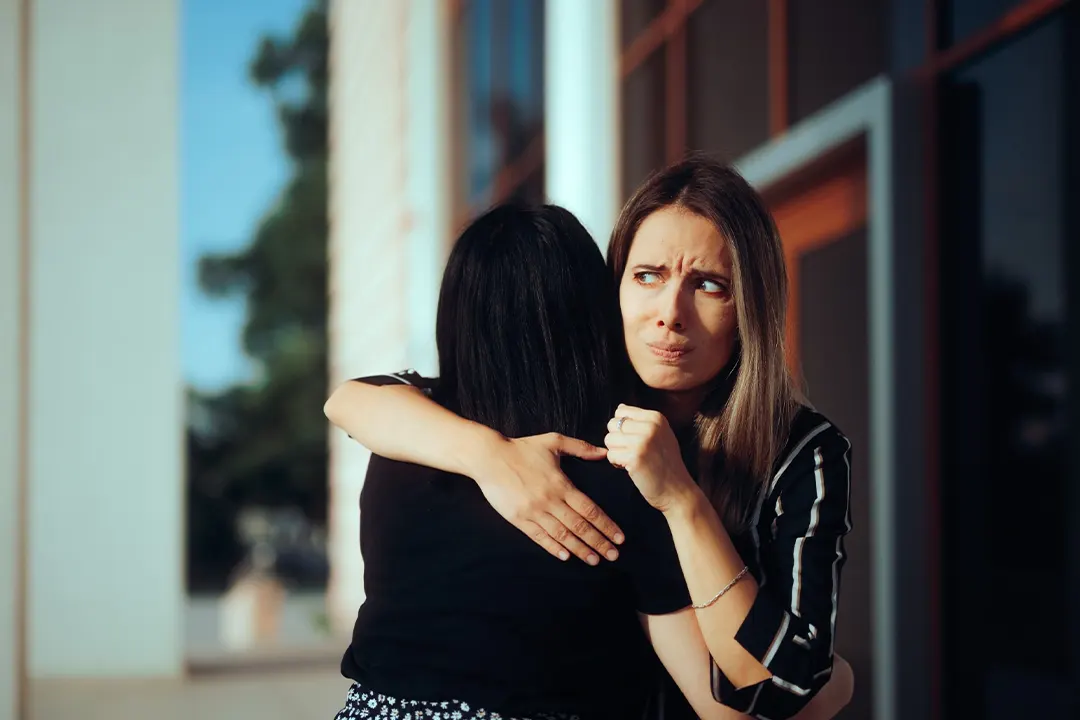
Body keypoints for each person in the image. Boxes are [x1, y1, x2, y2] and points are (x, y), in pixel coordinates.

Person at [326, 157, 855, 720]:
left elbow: (778, 685)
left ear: (751, 303)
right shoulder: (579, 442)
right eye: (648, 275)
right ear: (610, 290)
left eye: (709, 284)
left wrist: (679, 499)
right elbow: (350, 400)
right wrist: (493, 459)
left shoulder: (801, 451)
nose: (669, 314)